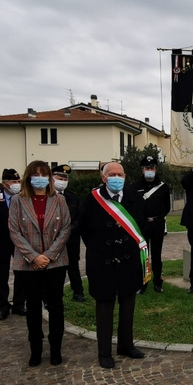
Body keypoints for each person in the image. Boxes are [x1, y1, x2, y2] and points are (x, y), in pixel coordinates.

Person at [79, 162, 148, 369]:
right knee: (105, 309)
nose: (116, 178)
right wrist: (101, 249)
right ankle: (104, 352)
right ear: (104, 178)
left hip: (129, 262)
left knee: (128, 307)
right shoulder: (92, 199)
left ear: (125, 177)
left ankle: (126, 345)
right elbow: (84, 230)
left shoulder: (134, 197)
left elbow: (142, 225)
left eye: (120, 174)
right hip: (102, 263)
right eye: (112, 174)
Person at [8, 161, 71, 367]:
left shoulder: (59, 200)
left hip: (55, 262)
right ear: (28, 177)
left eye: (44, 174)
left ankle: (55, 349)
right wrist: (34, 256)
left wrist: (49, 255)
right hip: (28, 264)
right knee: (33, 307)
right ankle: (36, 348)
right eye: (36, 174)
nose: (40, 178)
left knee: (56, 306)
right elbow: (14, 231)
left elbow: (65, 229)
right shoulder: (18, 201)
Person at [0, 168, 27, 320]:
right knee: (1, 276)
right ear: (5, 183)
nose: (17, 184)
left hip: (19, 243)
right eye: (14, 181)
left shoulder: (23, 198)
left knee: (21, 274)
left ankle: (19, 304)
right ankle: (2, 306)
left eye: (18, 181)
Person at [132, 155, 172, 294]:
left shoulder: (163, 187)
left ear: (155, 169)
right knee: (143, 255)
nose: (149, 170)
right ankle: (143, 283)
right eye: (147, 168)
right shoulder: (135, 187)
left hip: (157, 224)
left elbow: (167, 207)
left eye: (152, 168)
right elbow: (133, 206)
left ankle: (157, 282)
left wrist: (158, 217)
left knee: (156, 254)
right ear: (142, 170)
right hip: (142, 225)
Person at [52, 164, 85, 302]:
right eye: (60, 178)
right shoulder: (47, 196)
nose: (63, 181)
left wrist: (71, 228)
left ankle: (78, 293)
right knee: (54, 269)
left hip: (71, 239)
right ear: (52, 179)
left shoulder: (73, 197)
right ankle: (52, 296)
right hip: (52, 240)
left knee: (73, 266)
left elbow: (79, 217)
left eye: (65, 179)